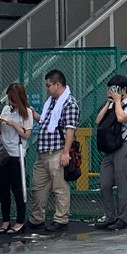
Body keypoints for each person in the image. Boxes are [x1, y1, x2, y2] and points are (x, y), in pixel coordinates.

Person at [27, 70, 79, 234]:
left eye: (49, 85)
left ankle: (61, 219)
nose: (47, 88)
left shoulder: (69, 103)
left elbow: (70, 130)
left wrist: (65, 153)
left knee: (59, 187)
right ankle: (37, 218)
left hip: (57, 151)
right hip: (43, 150)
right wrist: (33, 115)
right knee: (38, 187)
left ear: (58, 84)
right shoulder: (50, 102)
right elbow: (44, 121)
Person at [93, 75, 127, 232]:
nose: (112, 92)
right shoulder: (112, 105)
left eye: (115, 89)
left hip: (124, 146)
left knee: (122, 183)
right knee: (105, 183)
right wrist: (109, 103)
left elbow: (121, 118)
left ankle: (122, 218)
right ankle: (109, 216)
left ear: (123, 90)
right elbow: (98, 120)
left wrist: (118, 101)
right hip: (110, 147)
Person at [0, 82, 32, 235]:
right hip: (3, 153)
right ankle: (5, 220)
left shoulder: (27, 112)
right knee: (3, 188)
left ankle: (20, 220)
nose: (11, 103)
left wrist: (13, 124)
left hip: (17, 154)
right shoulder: (6, 109)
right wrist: (0, 123)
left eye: (14, 99)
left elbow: (26, 134)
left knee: (17, 188)